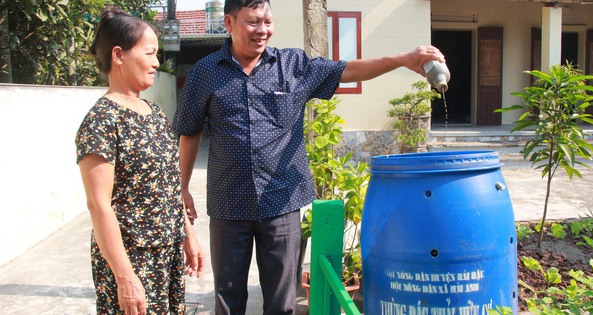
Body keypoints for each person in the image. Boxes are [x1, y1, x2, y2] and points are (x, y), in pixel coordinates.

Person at [173, 0, 445, 314]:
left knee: (282, 300)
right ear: (229, 24)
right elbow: (189, 132)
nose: (262, 31)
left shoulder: (293, 66)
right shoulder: (205, 72)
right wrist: (182, 188)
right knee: (228, 298)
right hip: (228, 203)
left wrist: (403, 59)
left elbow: (349, 69)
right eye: (252, 22)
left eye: (267, 21)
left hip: (281, 203)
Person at [75, 6, 204, 315]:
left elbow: (170, 185)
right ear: (119, 55)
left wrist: (188, 235)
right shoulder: (101, 121)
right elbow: (99, 205)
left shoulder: (155, 112)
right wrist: (125, 277)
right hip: (132, 260)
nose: (157, 63)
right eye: (149, 54)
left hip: (167, 255)